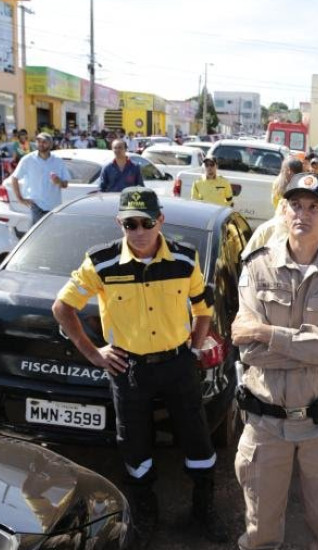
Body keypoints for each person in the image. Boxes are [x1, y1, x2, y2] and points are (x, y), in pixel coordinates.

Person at [52, 187, 228, 544]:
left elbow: (203, 308)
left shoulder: (184, 259)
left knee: (198, 439)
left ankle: (203, 510)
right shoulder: (101, 263)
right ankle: (145, 516)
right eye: (130, 224)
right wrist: (94, 354)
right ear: (120, 223)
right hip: (128, 370)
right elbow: (62, 308)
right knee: (134, 446)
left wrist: (193, 349)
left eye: (146, 222)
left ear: (160, 221)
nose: (139, 231)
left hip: (178, 364)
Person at [231, 172, 318, 550]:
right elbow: (247, 351)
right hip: (265, 424)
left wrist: (267, 332)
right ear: (283, 210)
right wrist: (313, 348)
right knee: (260, 532)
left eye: (314, 207)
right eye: (295, 205)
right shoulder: (256, 267)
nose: (303, 213)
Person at [10, 132, 71, 225]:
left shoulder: (58, 161)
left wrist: (59, 182)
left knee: (52, 235)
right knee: (37, 236)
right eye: (38, 141)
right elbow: (14, 178)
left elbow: (65, 184)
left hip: (53, 206)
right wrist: (20, 199)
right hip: (36, 205)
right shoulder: (28, 159)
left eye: (44, 142)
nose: (41, 144)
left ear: (50, 144)